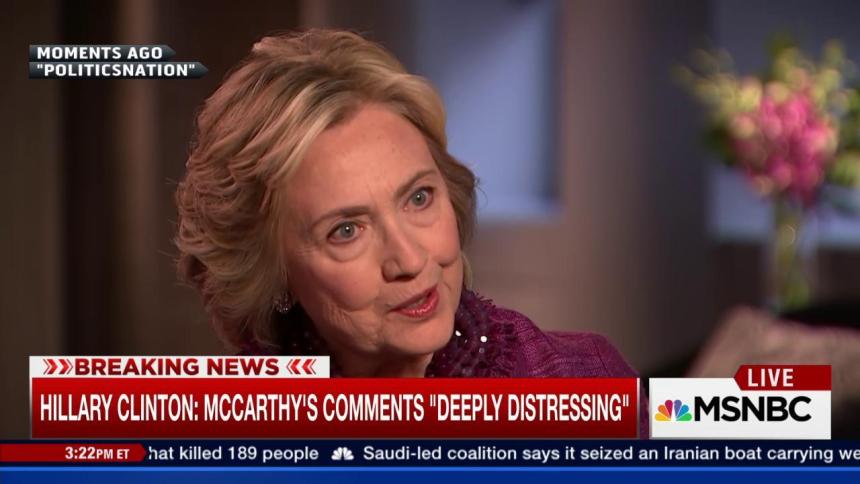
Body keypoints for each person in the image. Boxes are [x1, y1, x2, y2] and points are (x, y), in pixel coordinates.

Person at [175, 29, 647, 436]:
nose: (410, 259)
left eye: (419, 198)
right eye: (346, 230)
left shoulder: (586, 382)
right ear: (273, 274)